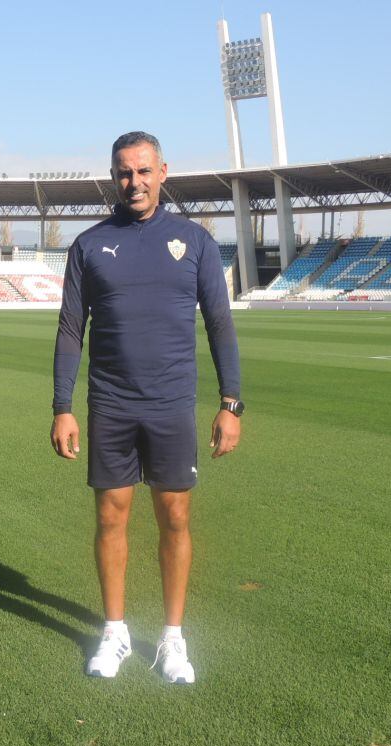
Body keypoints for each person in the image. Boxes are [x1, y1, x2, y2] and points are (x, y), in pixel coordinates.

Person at [50, 131, 243, 684]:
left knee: (175, 518)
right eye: (123, 173)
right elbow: (70, 330)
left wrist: (232, 403)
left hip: (171, 404)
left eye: (142, 171)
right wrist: (62, 405)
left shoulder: (195, 242)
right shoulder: (89, 245)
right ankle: (115, 633)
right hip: (110, 403)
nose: (132, 182)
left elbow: (220, 325)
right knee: (110, 517)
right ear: (114, 178)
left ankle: (173, 641)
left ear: (163, 172)